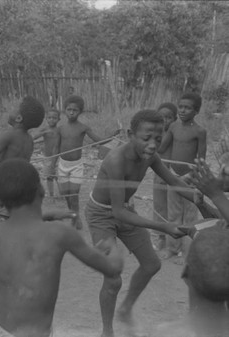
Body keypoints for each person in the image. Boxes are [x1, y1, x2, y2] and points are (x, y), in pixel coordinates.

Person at [85, 109, 200, 337]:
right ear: (130, 134)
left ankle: (125, 308)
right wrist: (163, 227)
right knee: (113, 277)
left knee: (151, 265)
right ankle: (106, 331)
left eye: (158, 139)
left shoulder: (151, 157)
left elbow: (174, 181)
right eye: (146, 138)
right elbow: (117, 212)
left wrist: (203, 200)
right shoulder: (116, 160)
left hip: (126, 210)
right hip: (102, 215)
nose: (153, 144)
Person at [0, 159, 123, 337]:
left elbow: (22, 225)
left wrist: (46, 216)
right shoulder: (60, 234)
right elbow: (112, 269)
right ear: (41, 190)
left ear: (0, 201)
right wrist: (112, 248)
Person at [0, 96, 45, 219]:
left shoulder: (9, 135)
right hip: (19, 187)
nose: (9, 110)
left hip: (4, 187)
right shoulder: (28, 140)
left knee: (0, 221)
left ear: (18, 118)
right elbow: (13, 156)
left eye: (13, 108)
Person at [158, 93, 206, 262]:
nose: (183, 110)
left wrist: (189, 176)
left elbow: (201, 160)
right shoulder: (173, 127)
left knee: (190, 218)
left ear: (196, 111)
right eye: (181, 107)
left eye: (188, 108)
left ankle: (187, 253)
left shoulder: (200, 131)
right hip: (173, 176)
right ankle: (172, 248)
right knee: (174, 214)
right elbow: (162, 147)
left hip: (191, 179)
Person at [58, 95, 119, 230]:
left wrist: (112, 136)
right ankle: (72, 213)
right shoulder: (61, 128)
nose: (72, 112)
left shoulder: (83, 128)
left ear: (80, 112)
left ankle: (76, 217)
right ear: (64, 110)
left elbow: (98, 141)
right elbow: (55, 147)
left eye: (75, 110)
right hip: (62, 165)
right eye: (69, 109)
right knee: (66, 195)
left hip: (76, 166)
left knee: (73, 195)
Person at [152, 102, 177, 251]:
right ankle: (161, 238)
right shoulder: (155, 134)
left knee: (174, 208)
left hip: (174, 175)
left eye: (169, 117)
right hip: (159, 174)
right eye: (162, 117)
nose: (165, 120)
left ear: (175, 119)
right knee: (160, 206)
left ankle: (174, 242)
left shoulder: (177, 133)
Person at [32, 109, 61, 198]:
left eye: (54, 118)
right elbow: (34, 136)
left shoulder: (59, 130)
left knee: (59, 177)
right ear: (46, 119)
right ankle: (51, 194)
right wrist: (44, 132)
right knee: (49, 176)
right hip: (48, 157)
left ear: (58, 119)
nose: (51, 120)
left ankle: (62, 194)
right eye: (49, 118)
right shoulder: (45, 129)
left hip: (59, 158)